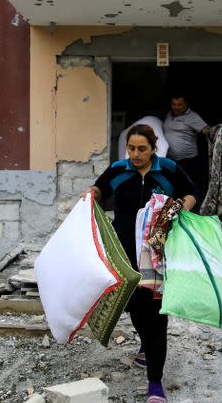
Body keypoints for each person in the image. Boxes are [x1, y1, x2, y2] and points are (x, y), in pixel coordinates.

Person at [82, 124, 197, 403]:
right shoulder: (119, 170)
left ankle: (155, 383)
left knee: (157, 314)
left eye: (141, 149)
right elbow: (99, 189)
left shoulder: (167, 169)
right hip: (124, 255)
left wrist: (177, 211)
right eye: (131, 148)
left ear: (153, 148)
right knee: (134, 306)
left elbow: (192, 193)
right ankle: (145, 343)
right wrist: (91, 195)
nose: (135, 154)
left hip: (158, 251)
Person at [162, 94, 209, 195]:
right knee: (174, 185)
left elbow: (206, 130)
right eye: (174, 104)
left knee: (187, 187)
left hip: (187, 160)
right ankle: (174, 206)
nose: (176, 107)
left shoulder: (192, 116)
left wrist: (216, 133)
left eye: (179, 104)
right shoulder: (169, 115)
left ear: (185, 104)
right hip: (171, 159)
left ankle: (189, 207)